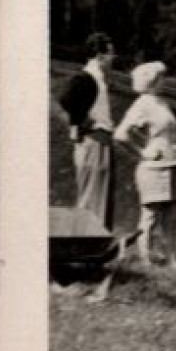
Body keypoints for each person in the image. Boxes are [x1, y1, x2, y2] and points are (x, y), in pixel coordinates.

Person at [112, 61, 176, 268]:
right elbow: (121, 134)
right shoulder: (142, 104)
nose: (164, 81)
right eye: (161, 77)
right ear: (152, 81)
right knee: (151, 214)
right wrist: (142, 152)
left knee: (171, 213)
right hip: (154, 167)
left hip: (173, 163)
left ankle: (171, 257)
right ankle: (146, 258)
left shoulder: (161, 102)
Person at [58, 33, 116, 226]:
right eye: (110, 54)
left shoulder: (98, 78)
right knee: (91, 197)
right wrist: (82, 122)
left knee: (98, 196)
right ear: (100, 56)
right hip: (93, 141)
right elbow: (65, 100)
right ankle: (84, 242)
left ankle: (94, 241)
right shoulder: (87, 77)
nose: (113, 58)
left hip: (100, 142)